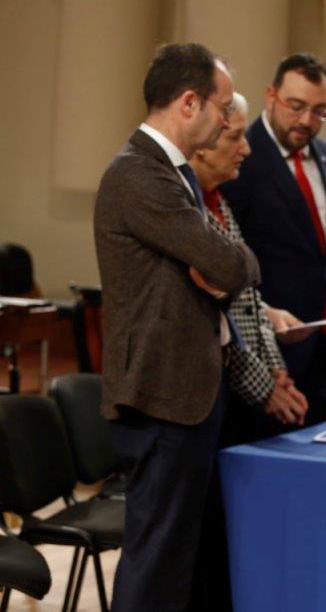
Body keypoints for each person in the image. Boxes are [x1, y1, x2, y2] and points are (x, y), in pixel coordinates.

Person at [94, 42, 261, 610]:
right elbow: (233, 262)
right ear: (189, 103)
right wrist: (228, 268)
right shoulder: (139, 173)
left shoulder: (173, 172)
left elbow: (224, 266)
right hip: (162, 394)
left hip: (186, 390)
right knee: (156, 565)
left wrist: (225, 269)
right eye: (220, 106)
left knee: (176, 564)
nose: (226, 120)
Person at [186, 92, 310, 610]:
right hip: (202, 399)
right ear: (203, 141)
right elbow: (212, 322)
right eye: (235, 137)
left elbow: (249, 305)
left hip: (233, 397)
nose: (246, 150)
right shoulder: (188, 208)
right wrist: (264, 389)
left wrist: (277, 373)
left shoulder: (221, 204)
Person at [220, 53, 326, 424]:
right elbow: (228, 255)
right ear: (271, 96)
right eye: (297, 106)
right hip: (266, 348)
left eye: (320, 112)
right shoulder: (237, 156)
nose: (306, 121)